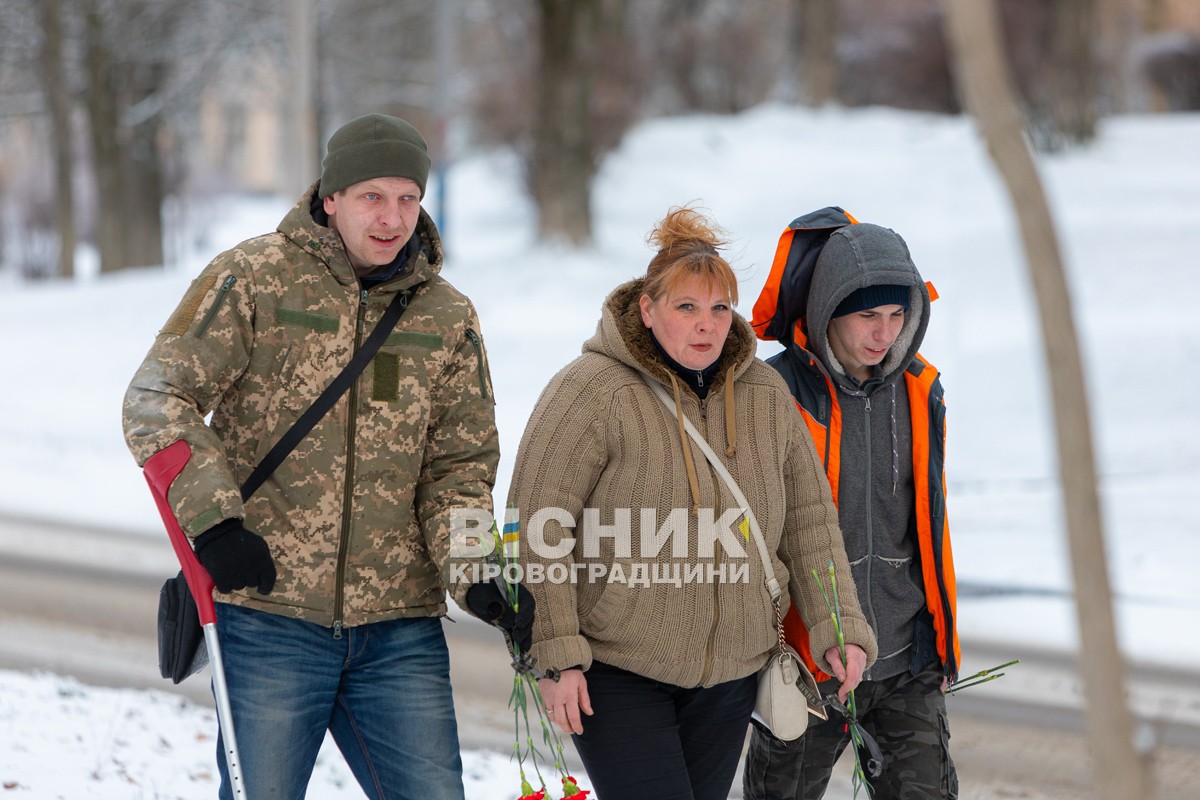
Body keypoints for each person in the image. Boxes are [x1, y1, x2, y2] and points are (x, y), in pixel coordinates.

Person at [122, 113, 531, 800]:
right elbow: (158, 397)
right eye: (373, 196)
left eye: (408, 198)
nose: (392, 217)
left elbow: (457, 468)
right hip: (269, 618)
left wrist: (475, 573)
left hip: (399, 630)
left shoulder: (445, 316)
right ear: (331, 196)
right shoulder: (254, 278)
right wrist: (217, 525)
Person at [505, 206, 878, 800]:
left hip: (730, 676)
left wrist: (838, 626)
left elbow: (809, 523)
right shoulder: (590, 392)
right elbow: (536, 526)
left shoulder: (765, 396)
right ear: (647, 310)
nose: (707, 326)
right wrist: (556, 655)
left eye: (719, 309)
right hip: (616, 670)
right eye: (687, 308)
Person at [743, 216, 961, 799]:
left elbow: (930, 523)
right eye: (867, 315)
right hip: (808, 665)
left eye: (896, 316)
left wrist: (938, 643)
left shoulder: (921, 389)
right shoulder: (775, 392)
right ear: (828, 311)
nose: (883, 333)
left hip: (903, 661)